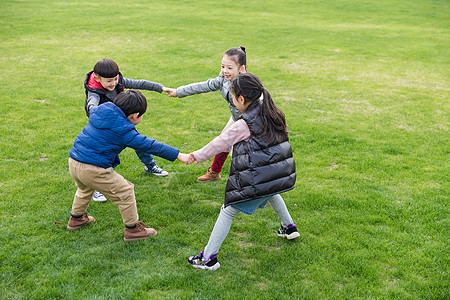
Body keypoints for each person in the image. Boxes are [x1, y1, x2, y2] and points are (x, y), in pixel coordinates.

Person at [186, 73, 299, 270]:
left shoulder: (244, 123)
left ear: (241, 99)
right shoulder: (272, 112)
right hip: (276, 172)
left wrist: (197, 155)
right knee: (271, 191)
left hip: (258, 175)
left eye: (232, 97)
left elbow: (220, 142)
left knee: (228, 210)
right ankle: (289, 227)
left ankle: (208, 258)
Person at [67, 90, 192, 241]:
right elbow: (149, 144)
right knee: (125, 191)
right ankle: (133, 231)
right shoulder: (125, 130)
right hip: (93, 168)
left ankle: (76, 219)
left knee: (84, 189)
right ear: (135, 115)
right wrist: (179, 155)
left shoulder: (101, 109)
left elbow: (91, 107)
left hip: (74, 161)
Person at [85, 58, 170, 201]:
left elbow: (139, 83)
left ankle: (150, 165)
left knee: (139, 142)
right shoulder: (94, 91)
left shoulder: (119, 81)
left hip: (121, 121)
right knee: (104, 155)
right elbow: (91, 103)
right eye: (109, 81)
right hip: (103, 126)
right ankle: (96, 187)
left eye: (115, 79)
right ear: (96, 78)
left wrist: (160, 88)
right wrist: (93, 111)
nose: (113, 83)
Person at [165, 47, 247, 182]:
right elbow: (205, 86)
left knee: (247, 155)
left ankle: (263, 191)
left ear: (241, 69)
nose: (225, 71)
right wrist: (178, 92)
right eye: (222, 66)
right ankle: (214, 172)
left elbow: (260, 104)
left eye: (229, 68)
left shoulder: (247, 85)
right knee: (224, 141)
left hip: (252, 121)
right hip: (237, 117)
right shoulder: (224, 79)